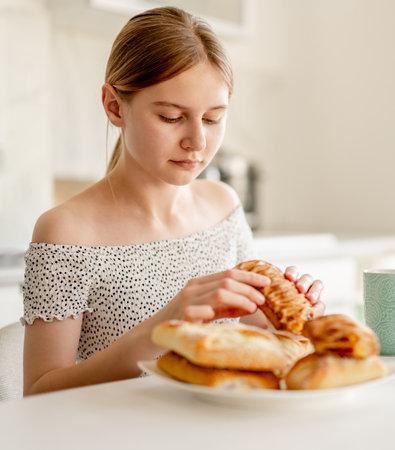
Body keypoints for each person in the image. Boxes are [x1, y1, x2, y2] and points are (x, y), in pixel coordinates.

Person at [22, 6, 324, 396]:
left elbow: (253, 338)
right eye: (170, 117)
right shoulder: (67, 230)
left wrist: (288, 326)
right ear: (115, 106)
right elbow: (39, 391)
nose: (197, 142)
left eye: (213, 119)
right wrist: (158, 333)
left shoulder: (223, 205)